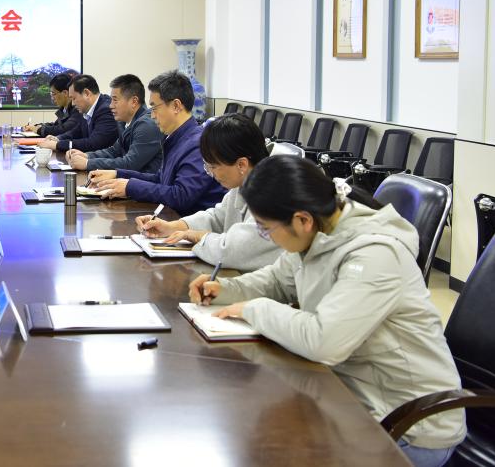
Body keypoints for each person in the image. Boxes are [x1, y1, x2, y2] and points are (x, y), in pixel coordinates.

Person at [189, 156, 465, 466]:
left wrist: (255, 309)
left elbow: (324, 341)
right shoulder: (318, 232)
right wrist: (225, 289)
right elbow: (277, 280)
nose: (266, 237)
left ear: (302, 220)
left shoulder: (375, 254)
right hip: (349, 397)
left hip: (407, 425)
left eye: (266, 230)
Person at [136, 113, 280, 270]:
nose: (211, 174)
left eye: (213, 166)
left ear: (242, 165)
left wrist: (198, 236)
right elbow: (217, 218)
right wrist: (173, 226)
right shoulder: (245, 182)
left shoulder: (273, 194)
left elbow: (234, 251)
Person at [90, 71, 224, 215]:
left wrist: (130, 187)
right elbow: (160, 179)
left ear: (176, 106)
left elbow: (182, 196)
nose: (152, 115)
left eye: (154, 108)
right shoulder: (176, 137)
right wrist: (117, 174)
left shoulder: (197, 144)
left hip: (190, 223)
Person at [66, 74, 162, 174]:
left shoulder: (147, 125)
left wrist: (87, 163)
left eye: (115, 100)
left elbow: (130, 164)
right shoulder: (124, 122)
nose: (110, 105)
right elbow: (115, 151)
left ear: (134, 102)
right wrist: (87, 156)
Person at [39, 74, 119, 154]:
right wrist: (58, 138)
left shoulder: (106, 110)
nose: (73, 104)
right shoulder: (86, 109)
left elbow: (94, 143)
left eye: (74, 98)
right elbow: (77, 131)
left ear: (86, 93)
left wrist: (58, 145)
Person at [23, 73, 85, 138]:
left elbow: (63, 130)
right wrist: (37, 126)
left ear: (65, 93)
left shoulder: (77, 109)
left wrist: (38, 129)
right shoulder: (64, 109)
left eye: (53, 94)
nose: (52, 98)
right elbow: (56, 125)